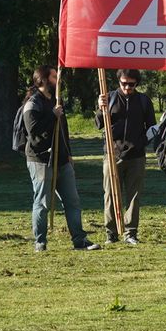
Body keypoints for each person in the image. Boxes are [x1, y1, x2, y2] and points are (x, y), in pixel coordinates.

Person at [22, 66, 99, 252]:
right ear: (43, 80)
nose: (58, 80)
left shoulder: (57, 101)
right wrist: (52, 115)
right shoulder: (33, 104)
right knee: (43, 203)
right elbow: (33, 133)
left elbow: (63, 129)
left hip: (62, 159)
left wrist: (69, 153)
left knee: (72, 200)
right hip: (40, 160)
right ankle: (40, 242)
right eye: (54, 77)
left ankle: (79, 240)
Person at [94, 68, 155, 245]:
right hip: (112, 154)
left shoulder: (144, 101)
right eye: (124, 83)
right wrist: (101, 109)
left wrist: (141, 143)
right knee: (110, 194)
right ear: (118, 81)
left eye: (131, 84)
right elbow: (98, 124)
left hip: (136, 156)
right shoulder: (109, 98)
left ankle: (131, 232)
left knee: (134, 195)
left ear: (137, 84)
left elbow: (152, 128)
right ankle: (111, 233)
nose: (127, 87)